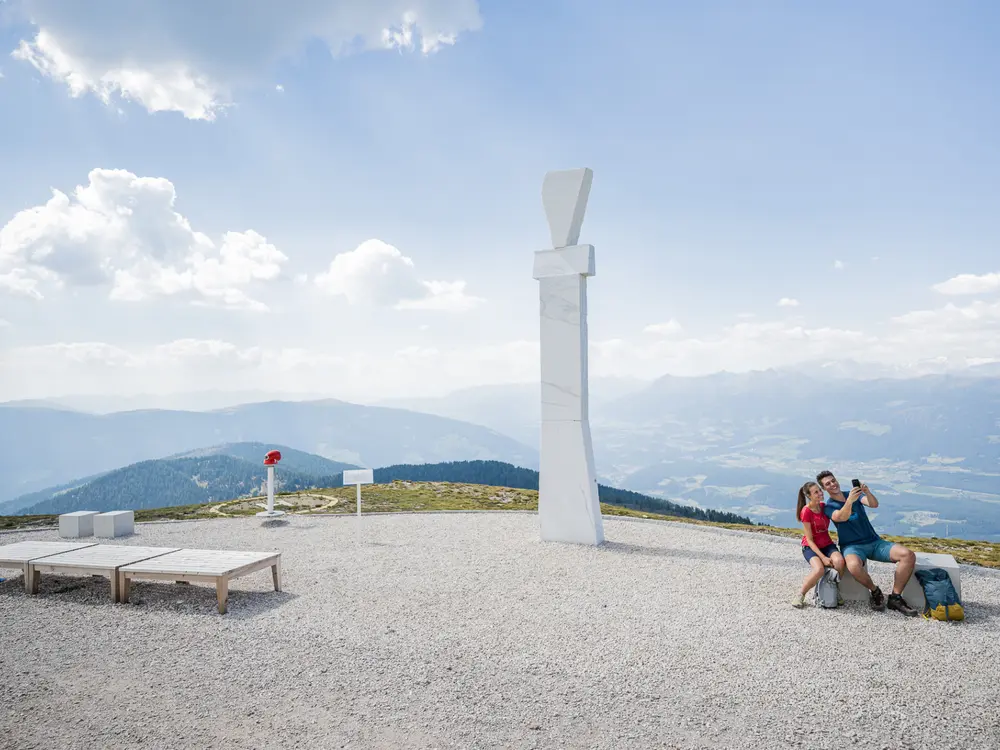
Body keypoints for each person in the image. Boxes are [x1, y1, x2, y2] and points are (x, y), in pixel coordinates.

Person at [816, 470, 918, 616]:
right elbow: (841, 517)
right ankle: (875, 591)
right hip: (851, 546)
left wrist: (867, 492)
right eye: (828, 484)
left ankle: (895, 597)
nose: (832, 484)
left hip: (874, 541)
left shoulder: (852, 494)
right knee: (853, 566)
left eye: (833, 480)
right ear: (824, 489)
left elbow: (874, 504)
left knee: (907, 555)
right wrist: (850, 501)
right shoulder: (829, 505)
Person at [792, 481, 845, 608]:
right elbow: (809, 540)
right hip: (810, 547)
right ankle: (801, 595)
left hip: (827, 544)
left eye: (820, 490)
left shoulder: (823, 506)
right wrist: (823, 558)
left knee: (839, 562)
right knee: (819, 569)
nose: (820, 493)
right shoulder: (806, 512)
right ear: (809, 496)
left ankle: (834, 588)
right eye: (816, 492)